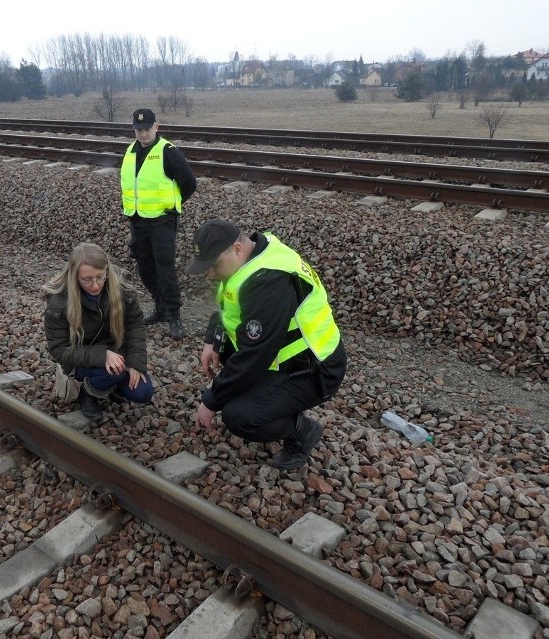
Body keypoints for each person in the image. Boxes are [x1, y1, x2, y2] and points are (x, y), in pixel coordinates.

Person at [186, 219, 347, 470]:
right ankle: (264, 396)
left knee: (240, 416)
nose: (210, 274)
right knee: (233, 372)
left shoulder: (268, 282)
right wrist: (213, 340)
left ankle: (303, 432)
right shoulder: (253, 257)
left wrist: (211, 401)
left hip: (315, 368)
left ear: (237, 249)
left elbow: (254, 355)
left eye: (214, 266)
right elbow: (228, 305)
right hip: (286, 356)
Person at [43, 242, 154, 421]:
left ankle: (107, 384)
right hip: (80, 361)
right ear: (74, 277)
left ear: (107, 272)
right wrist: (103, 356)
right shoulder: (59, 303)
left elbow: (135, 326)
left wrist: (135, 363)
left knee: (143, 392)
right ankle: (88, 393)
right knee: (115, 372)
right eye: (87, 279)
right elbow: (59, 350)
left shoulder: (122, 291)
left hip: (117, 354)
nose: (95, 285)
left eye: (100, 277)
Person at [121, 107, 197, 340]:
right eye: (138, 130)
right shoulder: (131, 151)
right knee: (145, 267)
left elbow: (189, 183)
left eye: (146, 129)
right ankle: (160, 307)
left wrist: (172, 204)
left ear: (156, 127)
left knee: (165, 268)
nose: (142, 134)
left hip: (162, 220)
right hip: (138, 219)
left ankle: (174, 314)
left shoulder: (168, 152)